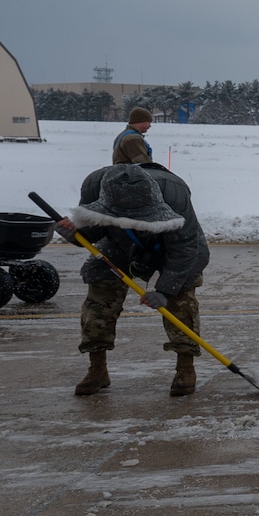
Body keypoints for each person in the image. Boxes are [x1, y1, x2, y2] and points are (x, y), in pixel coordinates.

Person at [61, 164, 211, 398]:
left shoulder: (174, 193)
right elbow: (93, 232)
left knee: (181, 296)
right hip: (120, 244)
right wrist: (75, 235)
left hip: (172, 243)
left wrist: (165, 290)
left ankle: (185, 367)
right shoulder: (93, 186)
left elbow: (185, 249)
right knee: (99, 293)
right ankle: (97, 369)